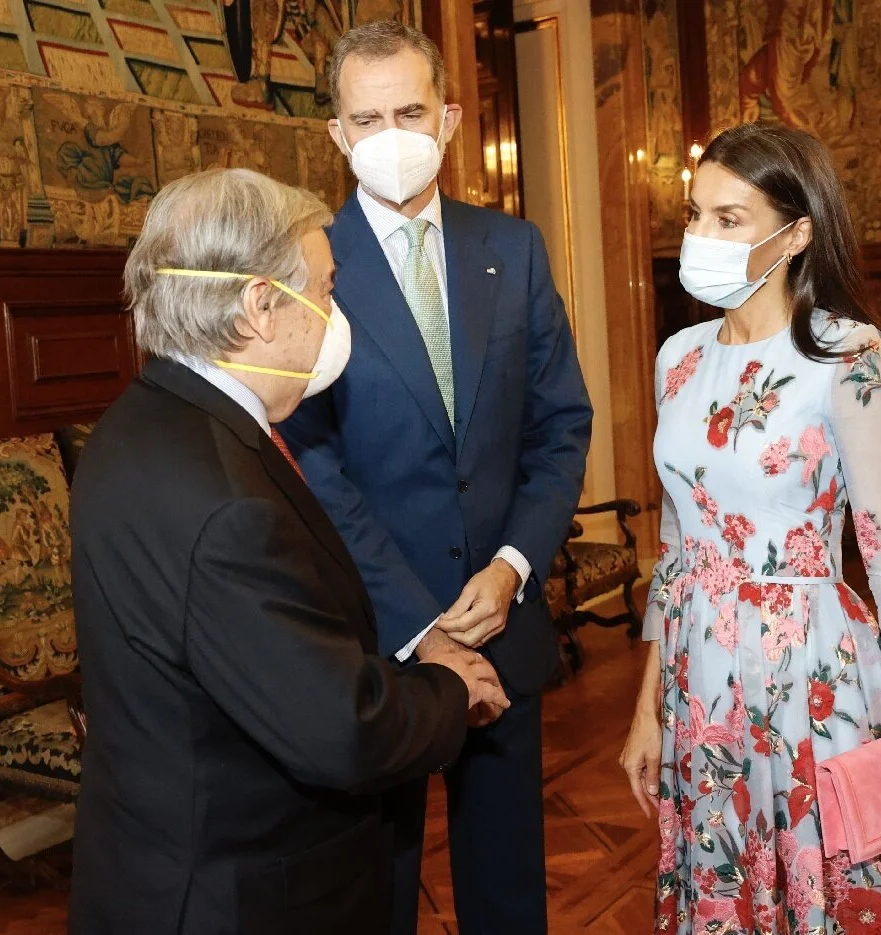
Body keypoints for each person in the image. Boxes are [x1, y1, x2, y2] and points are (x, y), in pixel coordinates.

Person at [68, 167, 509, 935]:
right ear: (260, 307)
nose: (337, 317)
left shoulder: (139, 422)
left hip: (155, 860)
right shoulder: (224, 499)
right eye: (327, 291)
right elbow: (339, 728)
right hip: (243, 894)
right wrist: (448, 687)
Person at [278, 21, 593, 935]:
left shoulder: (514, 247)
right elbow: (313, 462)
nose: (391, 136)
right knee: (376, 895)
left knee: (507, 891)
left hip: (502, 621)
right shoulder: (308, 265)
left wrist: (512, 566)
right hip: (377, 644)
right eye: (366, 119)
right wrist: (420, 624)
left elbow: (561, 426)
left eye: (410, 112)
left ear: (449, 119)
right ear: (336, 133)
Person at [620, 124, 881, 934]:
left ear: (797, 233)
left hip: (808, 674)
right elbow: (676, 548)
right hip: (698, 680)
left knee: (824, 894)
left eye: (729, 218)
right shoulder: (677, 358)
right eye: (695, 214)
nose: (700, 235)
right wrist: (645, 707)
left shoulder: (848, 355)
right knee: (726, 884)